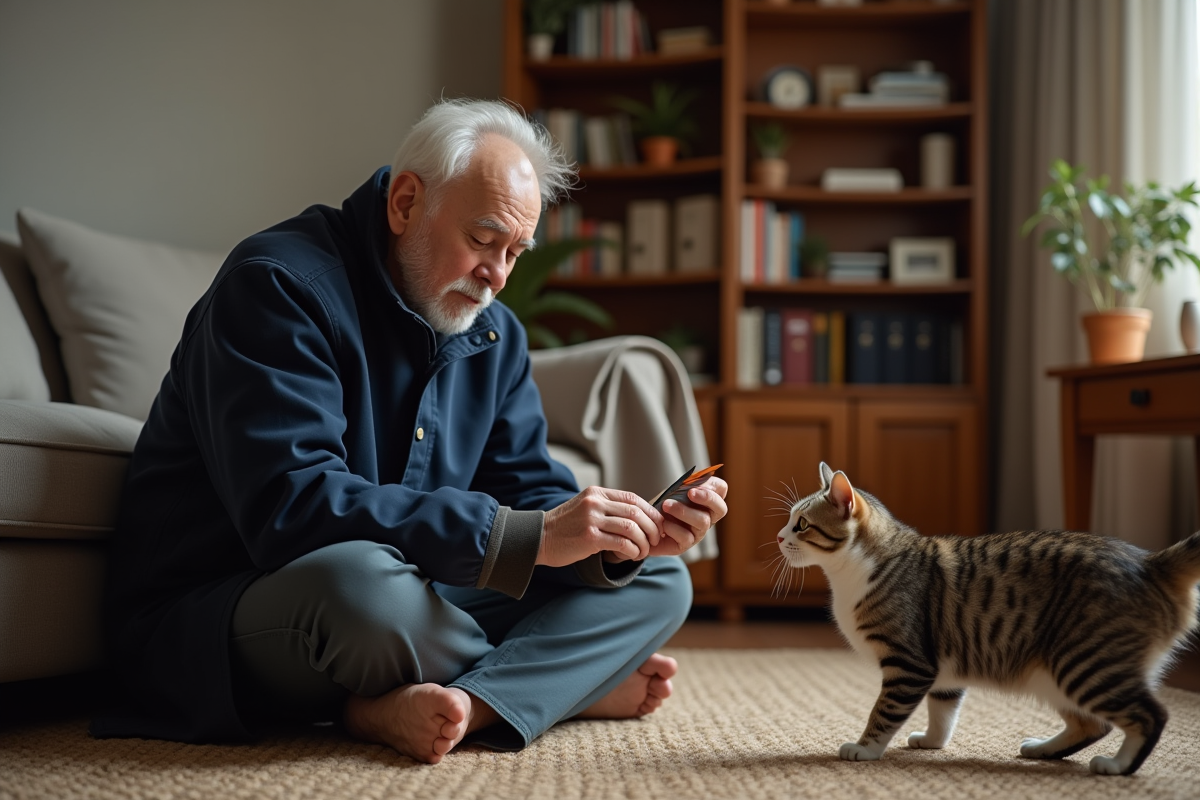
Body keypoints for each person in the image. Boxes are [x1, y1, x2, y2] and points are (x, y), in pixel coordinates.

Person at [93, 98, 728, 764]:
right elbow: (292, 508)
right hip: (234, 600)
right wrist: (528, 542)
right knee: (365, 589)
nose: (497, 275)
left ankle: (470, 704)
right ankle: (552, 685)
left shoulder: (495, 334)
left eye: (515, 252)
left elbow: (527, 489)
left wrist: (619, 539)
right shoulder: (278, 286)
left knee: (656, 583)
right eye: (482, 240)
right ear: (404, 203)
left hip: (416, 591)